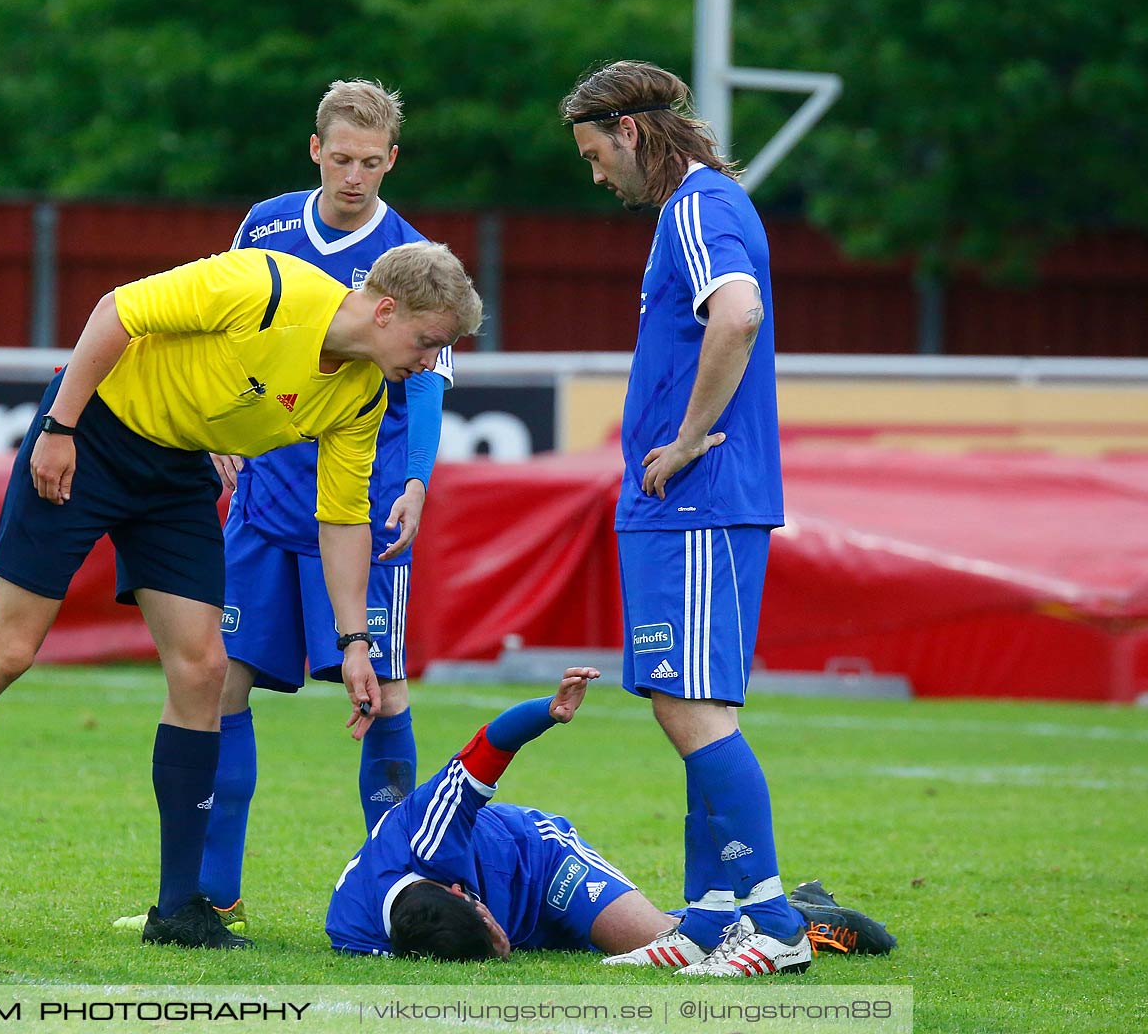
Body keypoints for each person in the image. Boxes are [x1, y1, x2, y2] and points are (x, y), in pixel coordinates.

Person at [0, 239, 483, 949]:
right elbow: (116, 311)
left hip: (174, 472)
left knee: (206, 670)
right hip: (94, 435)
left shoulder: (364, 392)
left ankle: (179, 910)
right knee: (7, 652)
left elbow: (340, 521)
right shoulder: (265, 283)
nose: (430, 363)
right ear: (388, 310)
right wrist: (59, 426)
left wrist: (355, 641)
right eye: (429, 342)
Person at [558, 60, 805, 975]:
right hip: (688, 505)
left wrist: (691, 437)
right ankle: (706, 921)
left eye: (594, 153)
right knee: (687, 703)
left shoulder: (696, 206)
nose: (595, 175)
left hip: (696, 501)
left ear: (629, 132)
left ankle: (774, 922)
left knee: (691, 708)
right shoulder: (701, 207)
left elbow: (735, 314)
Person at [193, 80, 452, 932]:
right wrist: (220, 421)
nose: (353, 176)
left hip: (363, 508)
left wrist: (415, 481)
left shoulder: (411, 256)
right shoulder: (266, 224)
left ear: (392, 161)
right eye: (340, 159)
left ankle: (398, 891)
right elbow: (228, 329)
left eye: (370, 163)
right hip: (265, 499)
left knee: (387, 688)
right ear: (315, 151)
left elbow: (427, 390)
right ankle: (212, 894)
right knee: (220, 681)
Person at [326, 670, 893, 967]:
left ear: (460, 889)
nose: (500, 948)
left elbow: (486, 748)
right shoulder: (353, 931)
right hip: (525, 916)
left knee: (671, 943)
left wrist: (547, 712)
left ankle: (799, 917)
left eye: (491, 936)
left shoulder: (429, 827)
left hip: (542, 865)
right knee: (642, 946)